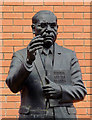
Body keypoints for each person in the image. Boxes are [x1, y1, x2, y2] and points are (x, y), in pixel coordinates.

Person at [6, 10, 87, 119]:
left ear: (57, 28)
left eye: (53, 26)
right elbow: (13, 86)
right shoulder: (20, 55)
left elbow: (80, 91)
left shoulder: (69, 55)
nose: (49, 30)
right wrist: (29, 61)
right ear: (33, 28)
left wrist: (60, 90)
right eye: (43, 26)